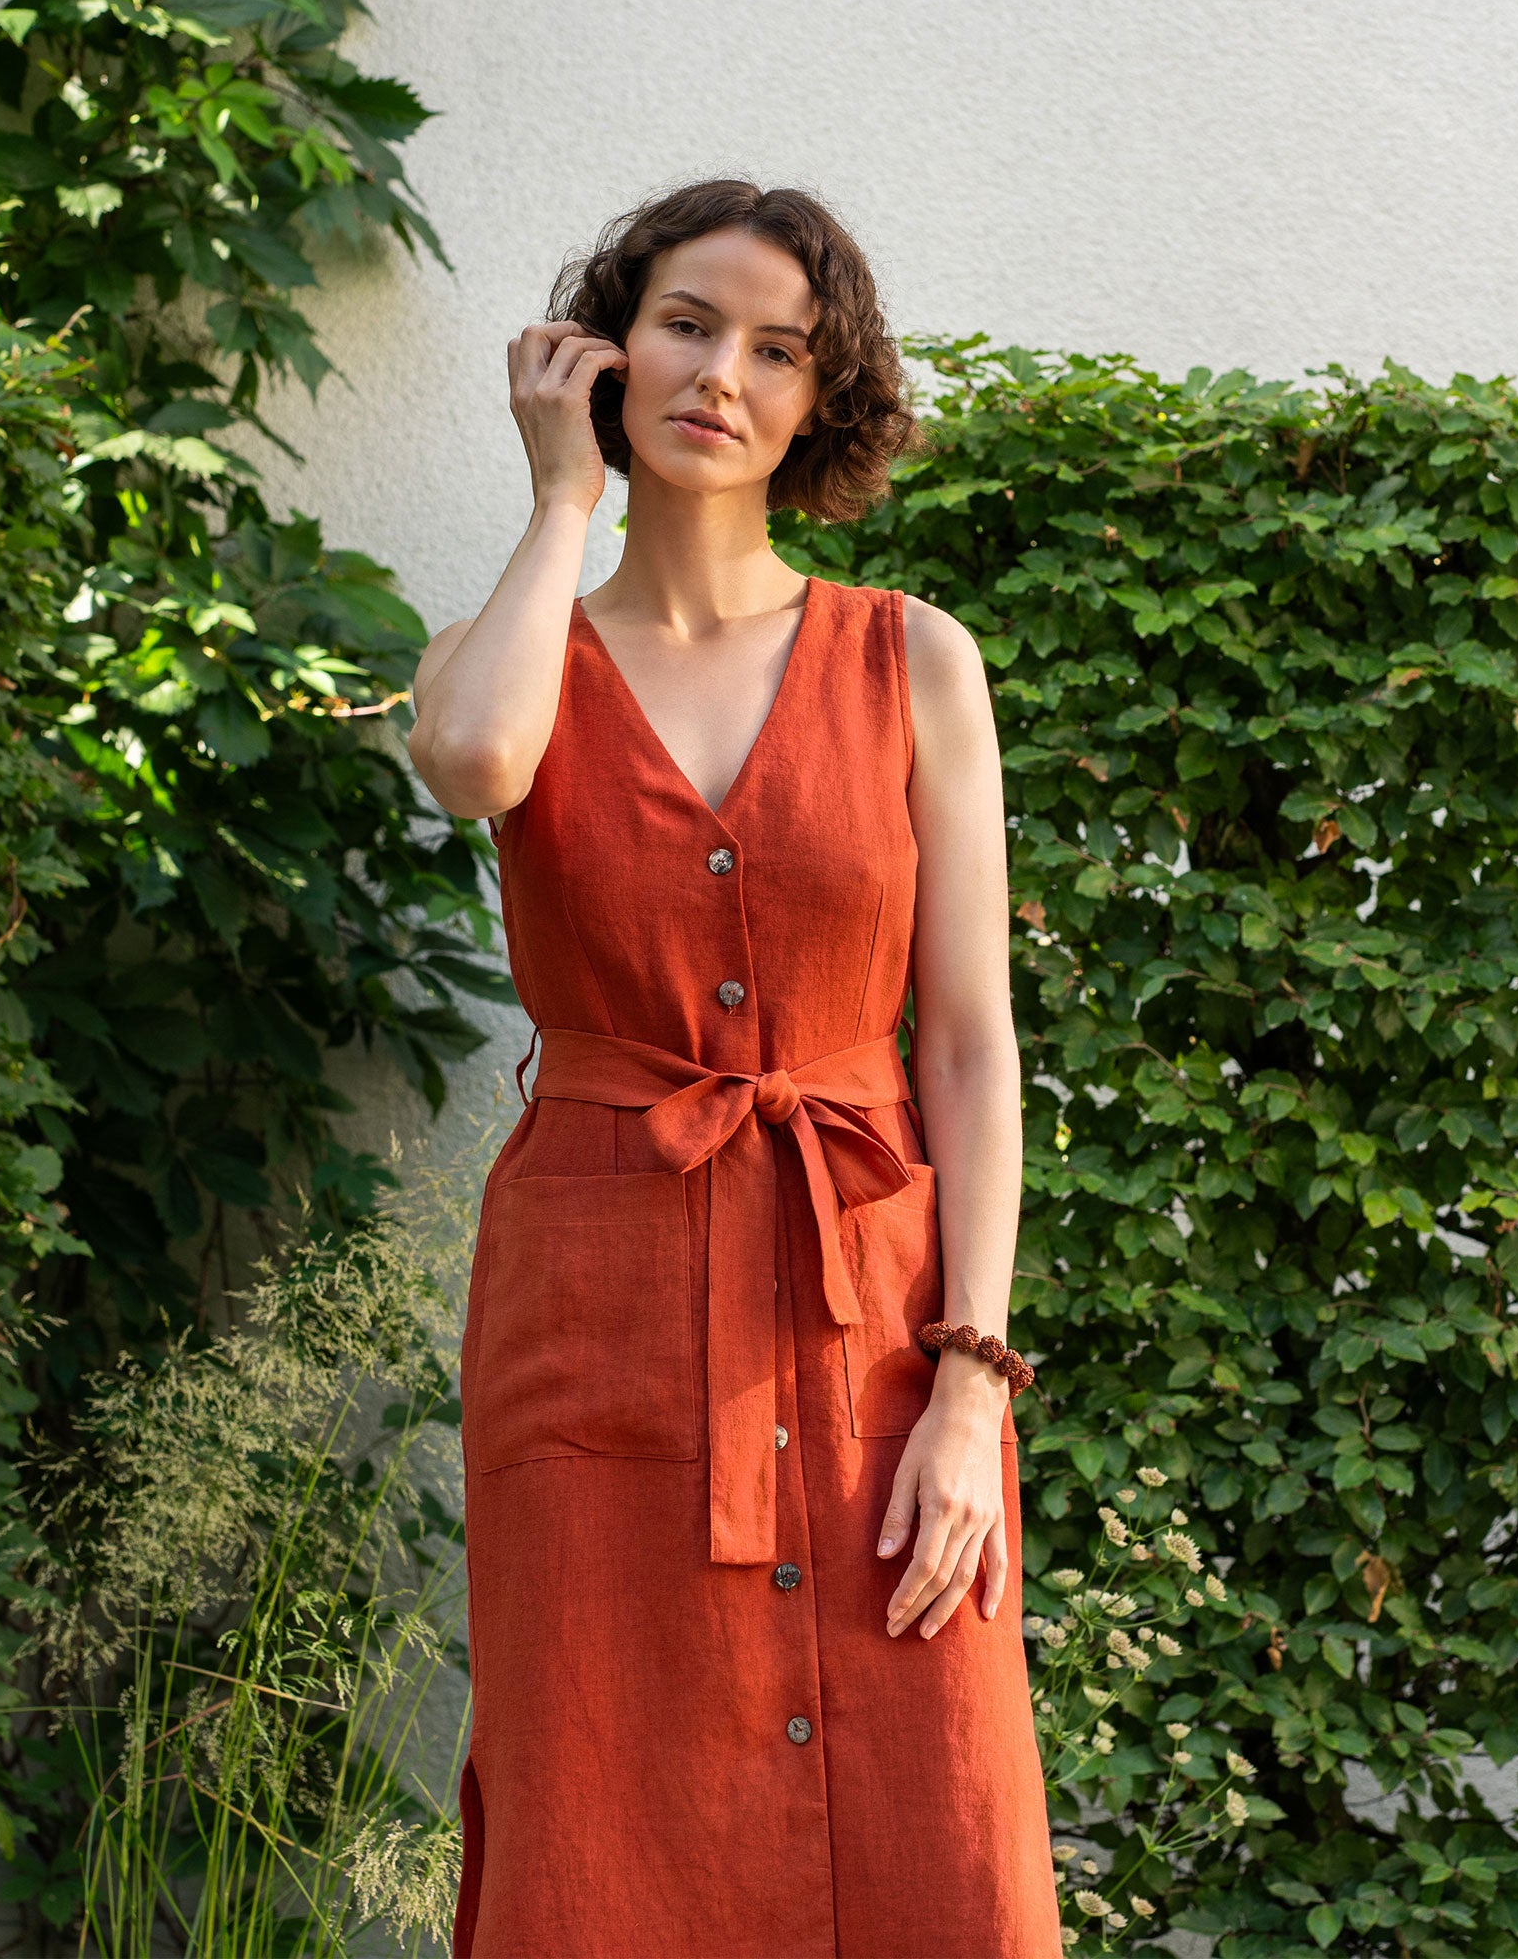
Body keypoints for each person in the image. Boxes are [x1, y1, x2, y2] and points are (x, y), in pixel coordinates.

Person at [408, 177, 1062, 1959]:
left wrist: (973, 1384)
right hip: (592, 1311)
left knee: (932, 1792)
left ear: (821, 401)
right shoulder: (504, 656)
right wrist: (561, 497)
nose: (723, 377)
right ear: (608, 349)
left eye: (781, 351)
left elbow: (968, 1045)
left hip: (873, 1317)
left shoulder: (913, 659)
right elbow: (473, 768)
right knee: (598, 1795)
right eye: (687, 325)